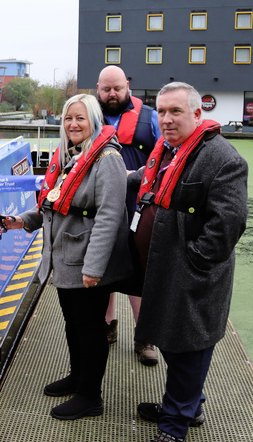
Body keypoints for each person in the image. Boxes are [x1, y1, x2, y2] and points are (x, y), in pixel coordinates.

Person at [0, 93, 134, 420]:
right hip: (64, 259)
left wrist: (94, 267)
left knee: (90, 328)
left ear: (94, 122)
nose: (73, 124)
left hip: (87, 262)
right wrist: (22, 221)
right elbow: (53, 202)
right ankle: (78, 377)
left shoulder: (107, 159)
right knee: (73, 324)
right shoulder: (68, 157)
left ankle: (90, 396)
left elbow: (110, 216)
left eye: (80, 118)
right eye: (68, 119)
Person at [128, 82, 248, 442]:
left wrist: (192, 262)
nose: (166, 119)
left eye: (175, 111)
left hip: (190, 277)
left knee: (189, 349)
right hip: (160, 271)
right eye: (161, 112)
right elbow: (141, 181)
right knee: (172, 344)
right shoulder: (165, 151)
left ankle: (173, 428)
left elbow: (228, 224)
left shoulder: (223, 159)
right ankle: (187, 406)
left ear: (198, 114)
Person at [96, 65, 162, 366]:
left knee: (141, 271)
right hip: (99, 205)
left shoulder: (150, 118)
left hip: (139, 205)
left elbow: (165, 158)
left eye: (117, 88)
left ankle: (144, 335)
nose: (112, 94)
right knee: (102, 264)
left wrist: (134, 176)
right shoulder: (86, 116)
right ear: (98, 88)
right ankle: (107, 326)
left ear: (128, 87)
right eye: (106, 89)